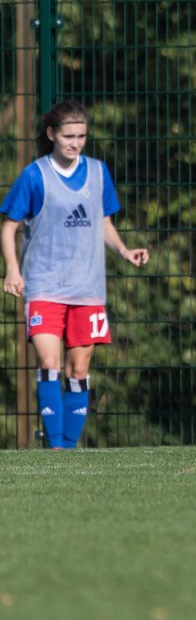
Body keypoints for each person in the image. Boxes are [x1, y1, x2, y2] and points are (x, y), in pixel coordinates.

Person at [1, 100, 150, 450]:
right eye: (69, 136)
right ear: (52, 134)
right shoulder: (34, 175)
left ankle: (68, 450)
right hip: (45, 287)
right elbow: (8, 228)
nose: (75, 143)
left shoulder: (98, 173)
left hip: (87, 289)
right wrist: (12, 269)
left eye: (81, 136)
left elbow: (104, 223)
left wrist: (125, 251)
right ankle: (55, 448)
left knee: (78, 371)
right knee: (50, 362)